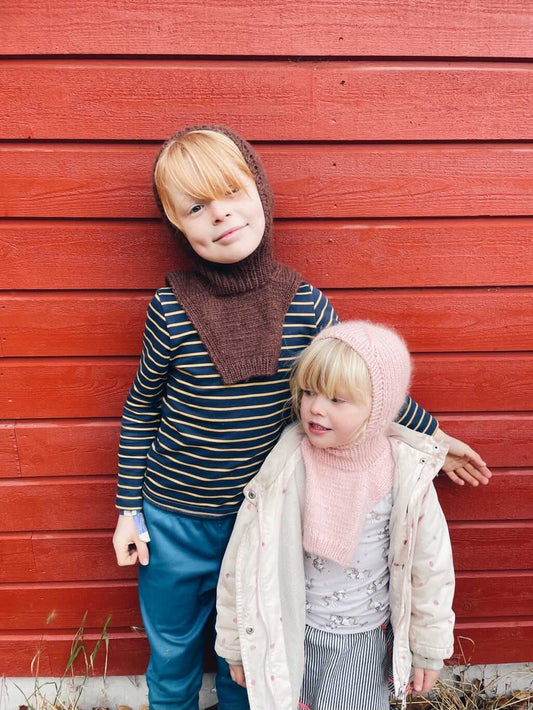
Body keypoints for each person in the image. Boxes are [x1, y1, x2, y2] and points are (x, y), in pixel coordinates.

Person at [111, 126, 487, 710]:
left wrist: (435, 436)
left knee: (251, 651)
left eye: (232, 192)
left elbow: (361, 387)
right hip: (175, 518)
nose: (220, 214)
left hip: (267, 515)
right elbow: (141, 408)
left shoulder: (305, 304)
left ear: (260, 193)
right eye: (196, 207)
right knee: (173, 650)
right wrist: (129, 511)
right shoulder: (169, 308)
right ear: (177, 225)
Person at [216, 320, 456, 710]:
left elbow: (431, 570)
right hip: (290, 637)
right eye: (309, 391)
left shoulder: (405, 474)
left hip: (363, 643)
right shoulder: (287, 466)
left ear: (377, 408)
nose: (315, 407)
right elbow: (244, 561)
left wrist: (428, 648)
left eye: (336, 400)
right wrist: (235, 643)